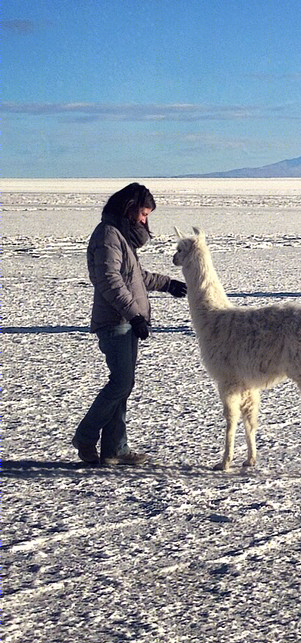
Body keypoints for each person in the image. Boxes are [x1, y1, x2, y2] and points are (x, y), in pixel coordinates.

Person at [72, 183, 187, 466]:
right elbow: (110, 280)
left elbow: (135, 276)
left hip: (126, 320)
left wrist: (168, 284)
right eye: (144, 214)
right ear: (129, 209)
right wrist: (134, 315)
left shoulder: (120, 236)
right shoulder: (107, 235)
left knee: (124, 384)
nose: (145, 221)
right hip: (116, 321)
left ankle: (115, 449)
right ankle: (85, 436)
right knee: (121, 382)